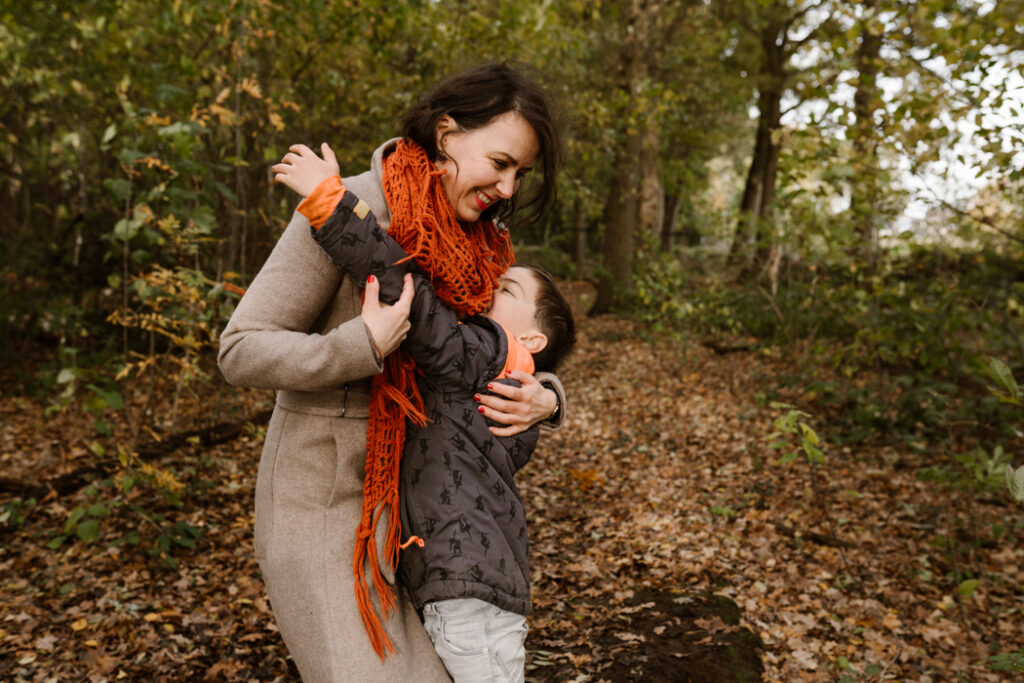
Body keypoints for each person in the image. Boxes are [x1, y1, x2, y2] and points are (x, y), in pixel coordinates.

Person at [217, 62, 566, 682]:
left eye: (521, 173)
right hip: (325, 507)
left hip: (424, 522)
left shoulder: (482, 241)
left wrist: (547, 396)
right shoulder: (342, 211)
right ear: (447, 132)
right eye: (501, 162)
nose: (508, 188)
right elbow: (240, 349)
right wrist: (361, 345)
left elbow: (491, 345)